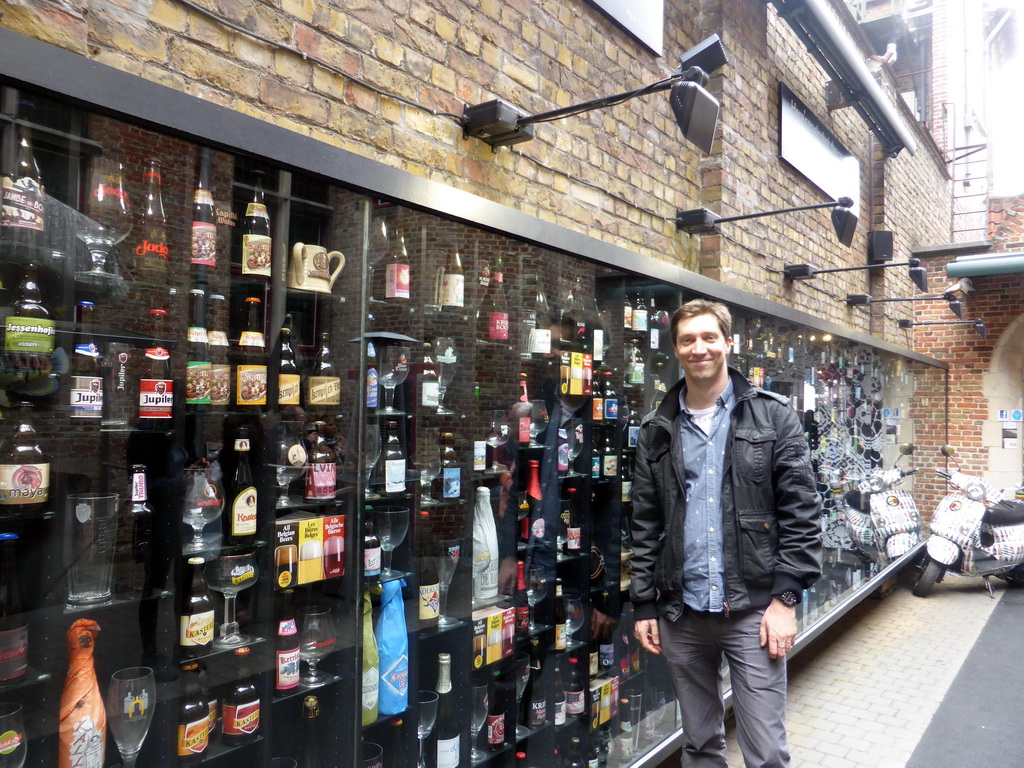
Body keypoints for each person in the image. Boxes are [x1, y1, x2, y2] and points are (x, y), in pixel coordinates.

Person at [630, 299, 822, 768]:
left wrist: (786, 600)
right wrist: (644, 603)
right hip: (683, 612)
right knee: (699, 746)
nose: (700, 348)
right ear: (676, 349)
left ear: (728, 343)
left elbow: (802, 511)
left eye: (709, 337)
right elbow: (644, 523)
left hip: (753, 613)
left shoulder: (774, 417)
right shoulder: (657, 429)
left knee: (767, 753)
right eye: (688, 339)